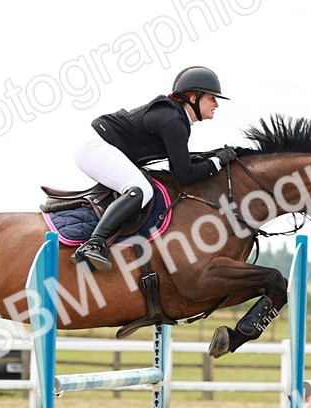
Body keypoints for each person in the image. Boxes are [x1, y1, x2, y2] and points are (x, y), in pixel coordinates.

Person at [70, 66, 237, 271]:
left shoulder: (176, 118)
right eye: (212, 98)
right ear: (193, 97)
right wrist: (217, 162)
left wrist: (214, 159)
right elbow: (184, 174)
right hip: (95, 147)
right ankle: (93, 244)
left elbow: (182, 163)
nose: (216, 104)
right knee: (141, 189)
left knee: (144, 186)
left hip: (103, 146)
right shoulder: (173, 121)